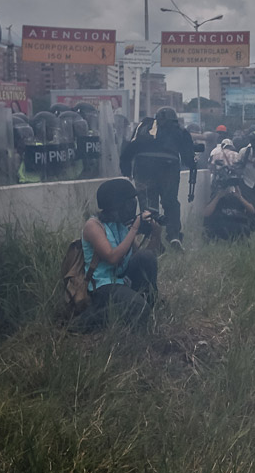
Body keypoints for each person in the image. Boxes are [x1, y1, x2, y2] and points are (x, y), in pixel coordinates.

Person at [78, 178, 159, 332]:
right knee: (138, 308)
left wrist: (155, 234)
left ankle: (148, 304)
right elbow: (112, 257)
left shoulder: (121, 225)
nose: (133, 207)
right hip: (102, 286)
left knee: (146, 257)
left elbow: (142, 256)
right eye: (130, 203)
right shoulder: (93, 225)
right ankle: (85, 321)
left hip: (122, 280)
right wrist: (134, 229)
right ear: (116, 205)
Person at [120, 107, 196, 250]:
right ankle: (174, 236)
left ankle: (152, 239)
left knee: (148, 206)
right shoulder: (179, 130)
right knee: (170, 202)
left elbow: (129, 148)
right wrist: (192, 161)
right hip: (169, 168)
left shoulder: (143, 127)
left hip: (143, 168)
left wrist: (126, 169)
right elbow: (188, 158)